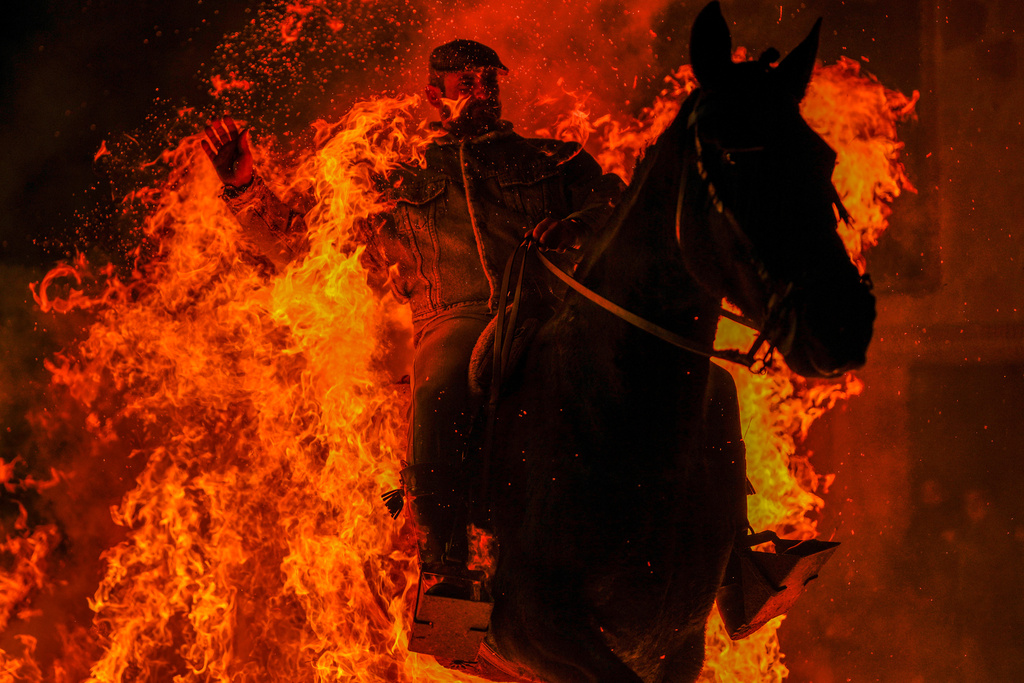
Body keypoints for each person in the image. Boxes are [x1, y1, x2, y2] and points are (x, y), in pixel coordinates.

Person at [202, 39, 623, 590]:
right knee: (439, 390)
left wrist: (579, 226)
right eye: (466, 83)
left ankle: (740, 559)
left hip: (556, 311)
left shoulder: (553, 158)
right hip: (456, 318)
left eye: (488, 82)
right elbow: (304, 242)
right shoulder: (397, 177)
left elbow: (615, 200)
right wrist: (244, 188)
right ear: (433, 94)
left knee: (684, 375)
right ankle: (445, 569)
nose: (481, 93)